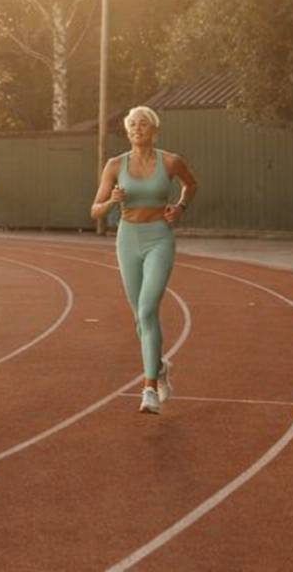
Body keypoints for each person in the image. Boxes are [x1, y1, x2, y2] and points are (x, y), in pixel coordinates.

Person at [91, 106, 198, 415]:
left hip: (159, 238)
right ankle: (160, 366)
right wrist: (111, 201)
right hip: (128, 239)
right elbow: (94, 211)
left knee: (148, 308)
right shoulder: (114, 165)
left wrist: (180, 207)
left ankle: (149, 387)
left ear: (154, 130)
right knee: (139, 316)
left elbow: (192, 185)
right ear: (127, 130)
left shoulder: (170, 161)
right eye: (132, 124)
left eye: (144, 124)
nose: (137, 128)